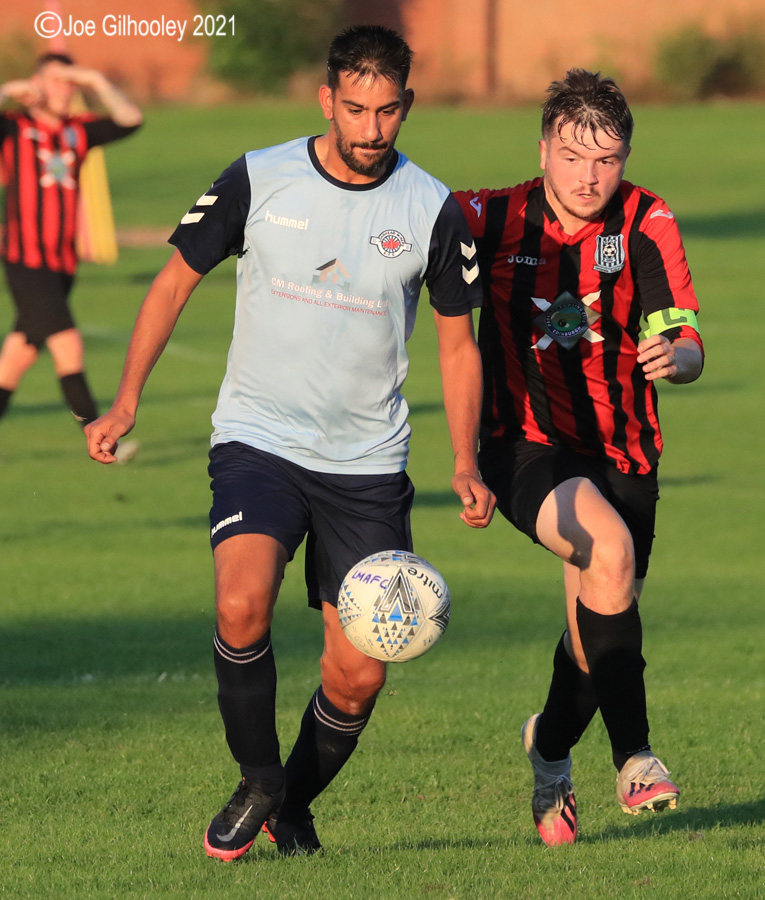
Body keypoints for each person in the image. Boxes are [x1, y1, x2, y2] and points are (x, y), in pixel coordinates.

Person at [85, 25, 495, 860]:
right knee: (241, 601)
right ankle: (260, 778)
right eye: (355, 108)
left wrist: (463, 460)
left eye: (387, 111)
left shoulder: (433, 208)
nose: (371, 128)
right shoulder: (259, 175)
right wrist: (125, 399)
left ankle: (290, 801)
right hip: (259, 440)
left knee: (360, 674)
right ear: (326, 100)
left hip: (368, 466)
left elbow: (458, 345)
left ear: (406, 106)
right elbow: (173, 281)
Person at [455, 69, 703, 846]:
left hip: (625, 450)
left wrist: (680, 356)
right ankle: (634, 759)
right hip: (523, 445)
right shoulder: (486, 218)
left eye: (606, 160)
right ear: (542, 149)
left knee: (598, 634)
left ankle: (550, 751)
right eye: (571, 157)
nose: (588, 177)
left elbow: (685, 336)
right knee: (609, 555)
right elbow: (390, 225)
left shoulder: (644, 219)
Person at [0, 54, 142, 444]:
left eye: (70, 82)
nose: (66, 89)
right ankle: (101, 436)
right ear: (36, 85)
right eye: (57, 81)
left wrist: (95, 79)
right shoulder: (13, 127)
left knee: (15, 360)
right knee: (69, 346)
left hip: (63, 263)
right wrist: (9, 91)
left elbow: (131, 119)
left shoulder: (77, 131)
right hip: (25, 259)